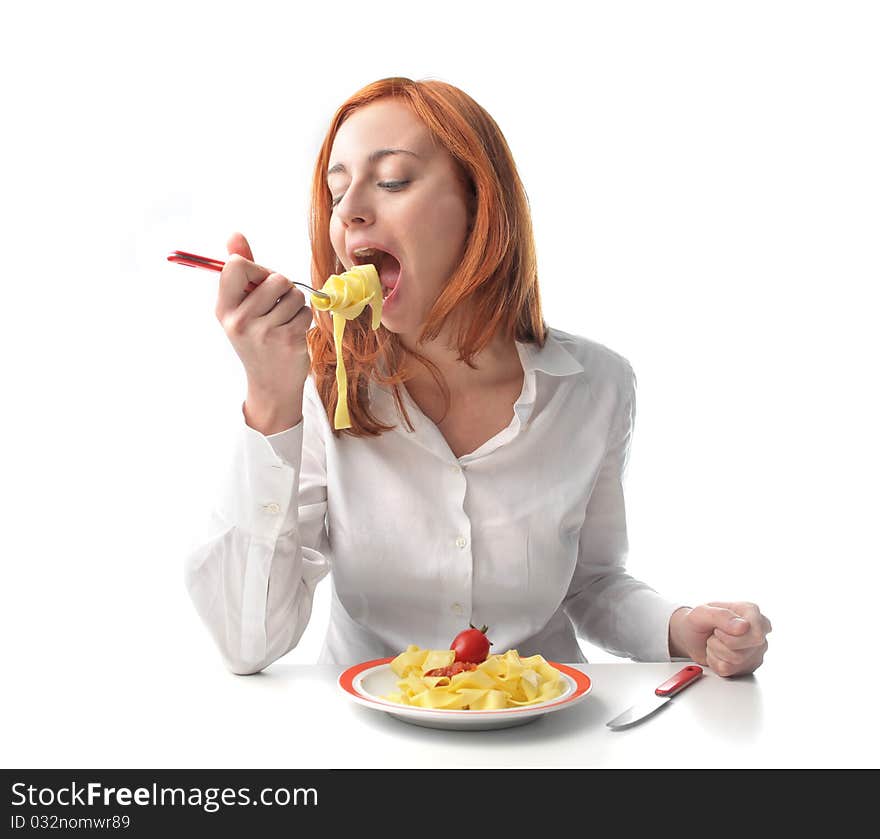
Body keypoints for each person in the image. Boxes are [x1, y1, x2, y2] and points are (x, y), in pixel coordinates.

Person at [184, 76, 771, 677]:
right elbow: (246, 643)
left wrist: (681, 629)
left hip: (545, 741)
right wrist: (270, 397)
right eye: (336, 193)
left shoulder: (597, 385)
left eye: (392, 181)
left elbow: (592, 582)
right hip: (370, 750)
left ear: (478, 203)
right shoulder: (317, 390)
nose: (351, 211)